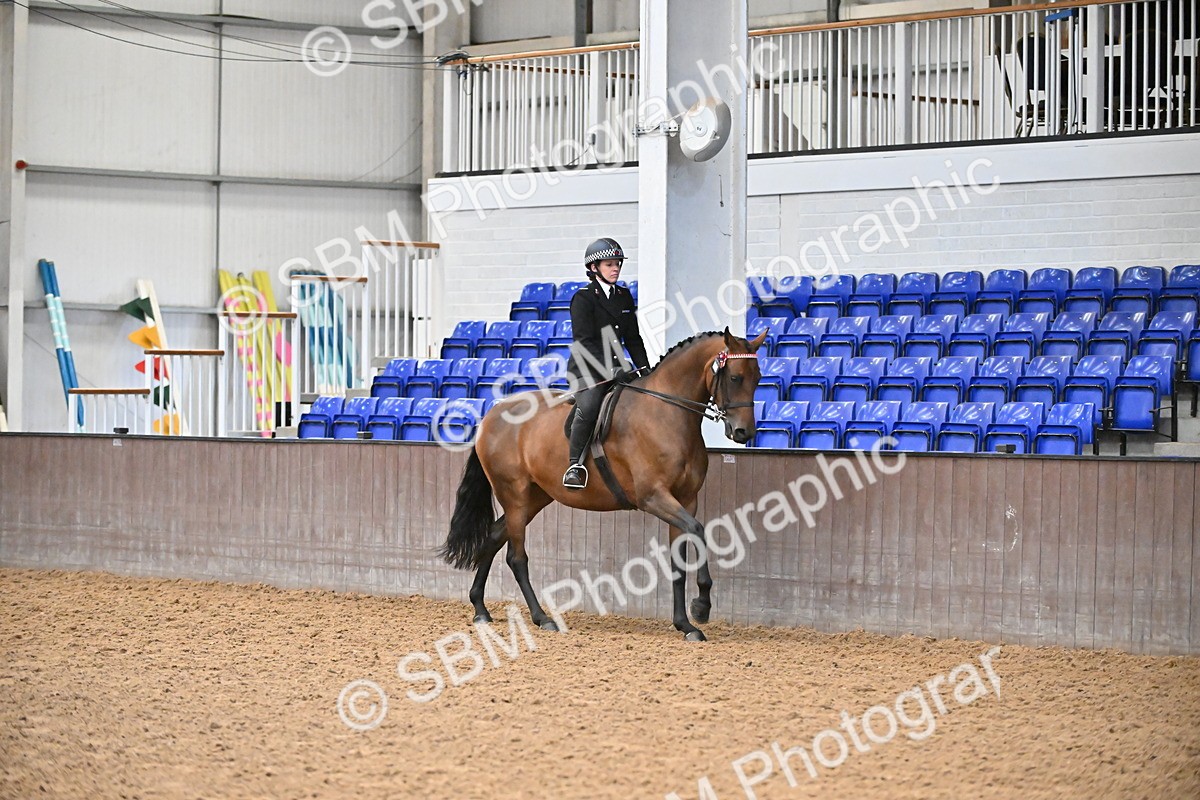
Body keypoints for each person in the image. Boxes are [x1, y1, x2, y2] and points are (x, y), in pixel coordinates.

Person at [561, 237, 650, 490]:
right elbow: (584, 341)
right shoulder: (583, 298)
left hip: (618, 367)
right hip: (587, 368)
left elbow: (633, 338)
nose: (615, 269)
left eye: (618, 264)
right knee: (589, 407)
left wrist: (645, 369)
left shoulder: (623, 296)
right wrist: (611, 369)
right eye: (609, 264)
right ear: (593, 268)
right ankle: (574, 465)